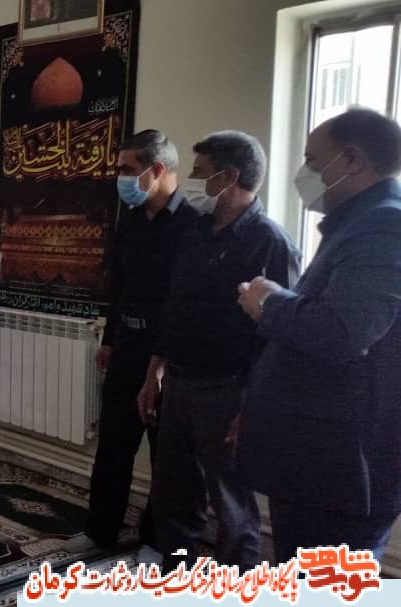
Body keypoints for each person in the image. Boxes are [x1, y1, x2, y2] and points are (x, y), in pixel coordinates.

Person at [236, 108, 401, 563]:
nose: (304, 172)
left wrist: (270, 302)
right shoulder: (358, 223)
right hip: (323, 461)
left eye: (311, 159)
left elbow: (344, 331)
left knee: (325, 582)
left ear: (352, 160)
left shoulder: (384, 225)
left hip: (342, 468)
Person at [138, 131, 300, 571]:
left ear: (228, 177)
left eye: (199, 172)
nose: (191, 181)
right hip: (180, 383)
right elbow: (175, 306)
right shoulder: (195, 232)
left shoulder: (270, 242)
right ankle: (178, 580)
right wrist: (154, 371)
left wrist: (253, 405)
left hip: (230, 392)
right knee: (174, 495)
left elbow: (279, 339)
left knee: (232, 507)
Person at [63, 130, 198, 564]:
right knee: (113, 443)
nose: (119, 177)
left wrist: (160, 365)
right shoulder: (132, 220)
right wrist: (109, 339)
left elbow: (185, 302)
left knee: (166, 454)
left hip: (169, 356)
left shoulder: (193, 226)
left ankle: (156, 540)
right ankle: (100, 529)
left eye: (126, 169)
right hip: (127, 347)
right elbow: (118, 287)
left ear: (156, 170)